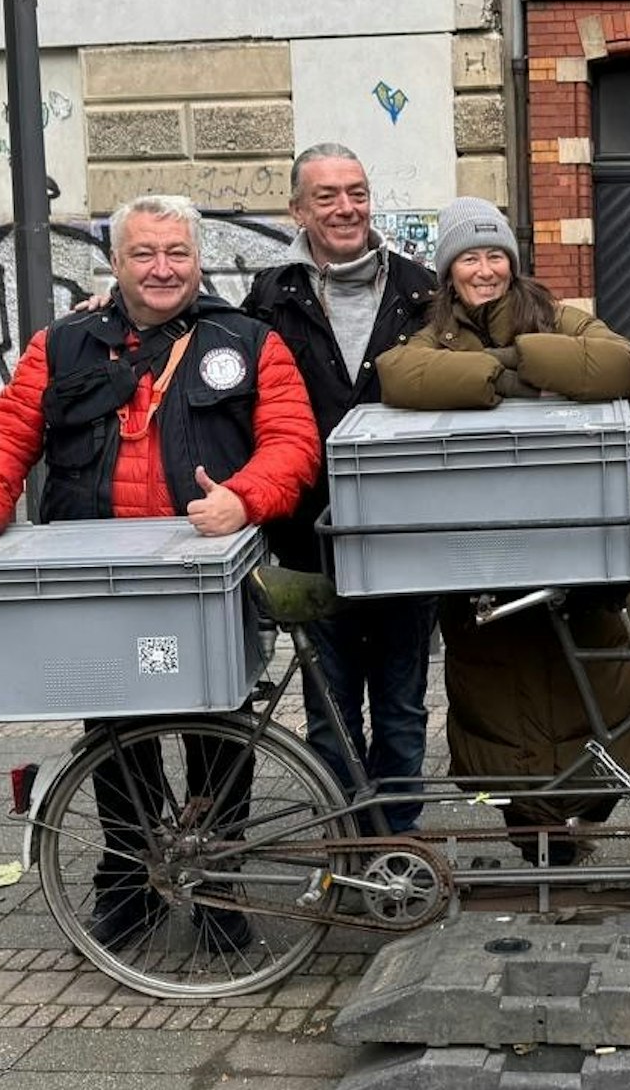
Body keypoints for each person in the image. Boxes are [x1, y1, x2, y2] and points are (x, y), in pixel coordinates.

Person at [0, 194, 320, 953]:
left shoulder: (247, 340)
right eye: (144, 254)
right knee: (115, 731)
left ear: (198, 257)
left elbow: (292, 441)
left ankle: (216, 882)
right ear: (116, 263)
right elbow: (10, 429)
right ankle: (130, 879)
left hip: (204, 578)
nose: (162, 268)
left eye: (176, 251)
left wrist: (244, 499)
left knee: (220, 728)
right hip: (100, 581)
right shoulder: (64, 343)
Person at [375, 196, 630, 864]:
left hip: (574, 549)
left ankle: (584, 812)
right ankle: (531, 836)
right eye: (470, 256)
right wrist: (502, 375)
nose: (486, 268)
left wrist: (522, 350)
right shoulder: (430, 334)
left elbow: (620, 364)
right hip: (481, 558)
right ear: (449, 270)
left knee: (596, 691)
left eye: (496, 254)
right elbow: (396, 375)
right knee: (499, 701)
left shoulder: (558, 317)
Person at [240, 143, 441, 835]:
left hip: (403, 537)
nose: (346, 207)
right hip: (305, 534)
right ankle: (350, 841)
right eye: (326, 196)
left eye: (356, 191)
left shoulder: (423, 291)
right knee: (329, 707)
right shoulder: (270, 295)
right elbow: (198, 342)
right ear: (298, 210)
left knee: (402, 705)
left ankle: (398, 840)